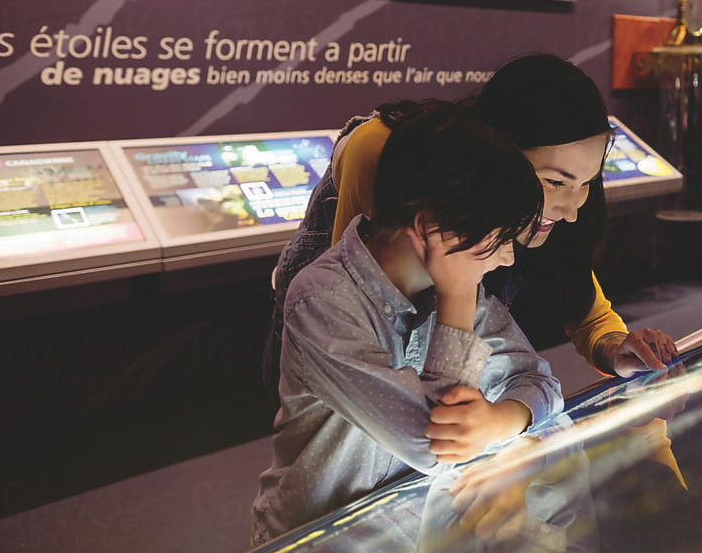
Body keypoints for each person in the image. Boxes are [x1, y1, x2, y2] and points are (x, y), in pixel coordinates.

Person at [263, 53, 677, 409]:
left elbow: (574, 289)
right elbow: (362, 314)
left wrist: (612, 347)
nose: (571, 210)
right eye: (554, 182)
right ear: (498, 150)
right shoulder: (384, 151)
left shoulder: (551, 212)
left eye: (586, 183)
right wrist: (460, 298)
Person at [251, 102, 563, 546]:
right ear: (433, 228)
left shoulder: (458, 290)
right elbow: (434, 446)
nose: (508, 257)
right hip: (313, 550)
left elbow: (541, 382)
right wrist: (457, 294)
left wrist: (502, 419)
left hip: (398, 534)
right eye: (500, 237)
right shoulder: (322, 300)